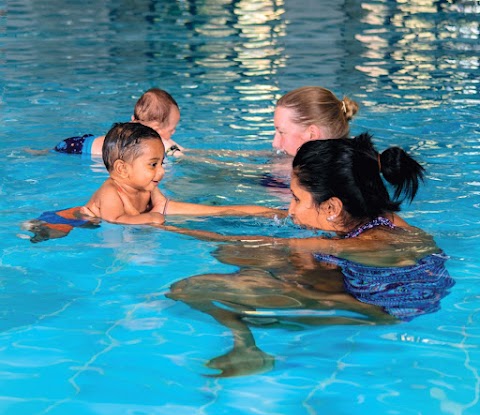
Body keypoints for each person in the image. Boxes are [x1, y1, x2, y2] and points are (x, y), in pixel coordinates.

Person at [163, 133, 455, 376]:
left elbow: (259, 241)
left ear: (331, 208)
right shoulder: (366, 215)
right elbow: (266, 215)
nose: (290, 209)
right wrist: (170, 208)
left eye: (296, 199)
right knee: (236, 256)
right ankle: (249, 337)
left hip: (384, 312)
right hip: (360, 284)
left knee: (190, 288)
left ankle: (247, 343)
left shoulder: (362, 244)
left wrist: (165, 227)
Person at [24, 122, 283, 242]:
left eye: (161, 163)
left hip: (121, 221)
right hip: (80, 219)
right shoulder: (110, 192)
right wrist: (150, 219)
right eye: (153, 165)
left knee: (214, 215)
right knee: (48, 232)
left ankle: (273, 213)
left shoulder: (148, 186)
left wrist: (228, 211)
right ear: (122, 169)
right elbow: (115, 220)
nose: (161, 172)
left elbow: (166, 207)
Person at [53, 88, 184, 157]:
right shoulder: (149, 140)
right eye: (172, 129)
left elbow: (175, 147)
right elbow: (175, 152)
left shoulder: (131, 126)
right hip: (84, 152)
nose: (174, 132)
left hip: (80, 143)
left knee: (48, 152)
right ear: (156, 128)